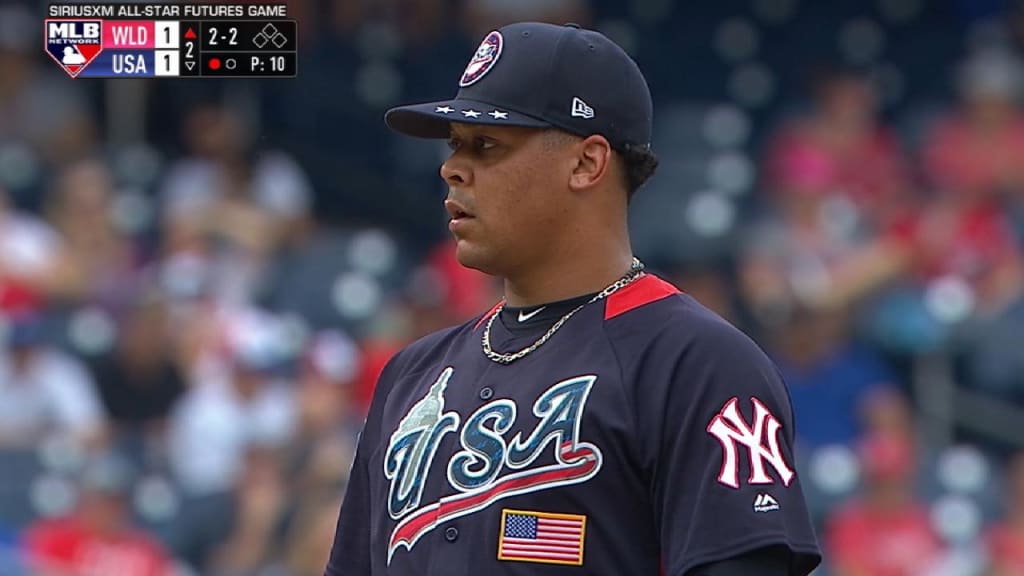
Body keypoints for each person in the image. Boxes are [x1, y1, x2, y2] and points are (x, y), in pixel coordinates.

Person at [325, 22, 821, 576]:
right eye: (455, 145)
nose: (452, 169)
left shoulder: (698, 363)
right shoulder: (408, 378)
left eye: (486, 145)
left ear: (587, 163)